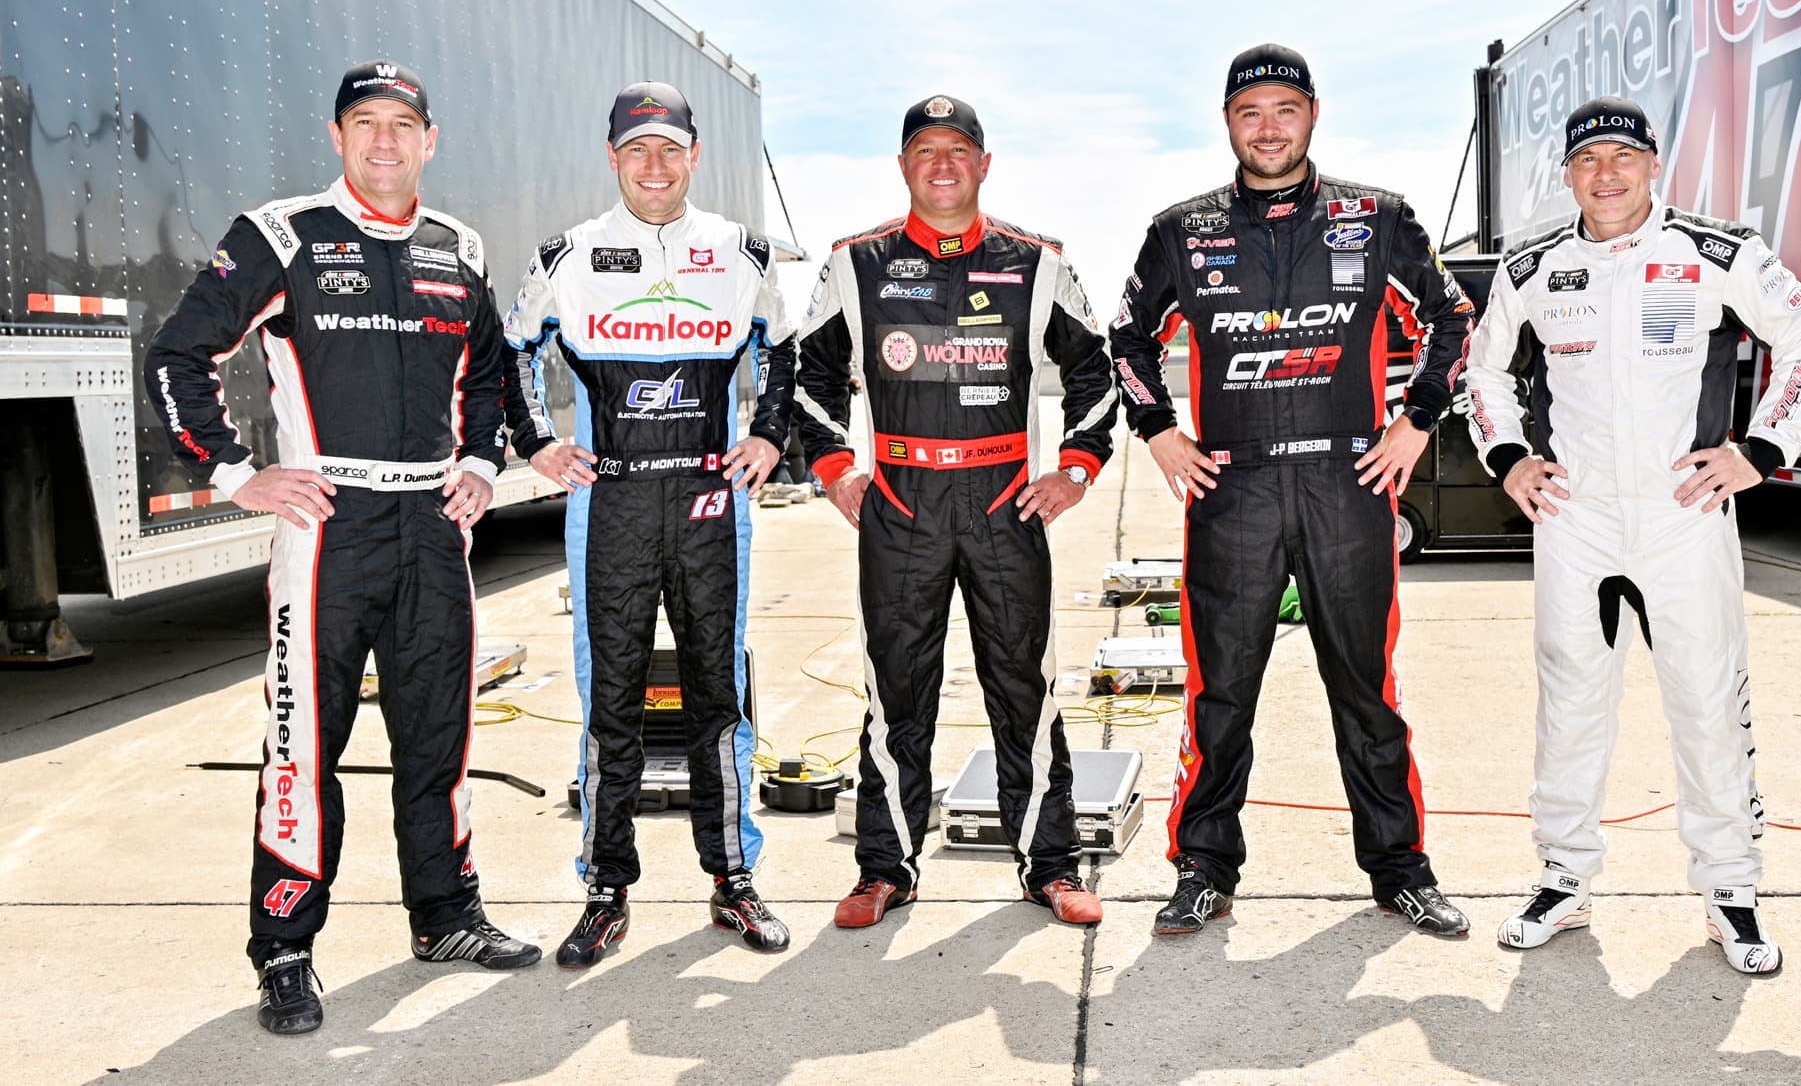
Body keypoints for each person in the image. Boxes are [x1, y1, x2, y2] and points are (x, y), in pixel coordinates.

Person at [145, 59, 540, 1036]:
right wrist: (239, 475)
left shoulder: (460, 248)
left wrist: (484, 465)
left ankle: (446, 917)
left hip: (432, 532)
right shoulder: (284, 235)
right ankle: (285, 947)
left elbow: (491, 377)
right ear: (338, 137)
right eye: (363, 123)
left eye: (401, 125)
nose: (383, 141)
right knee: (303, 749)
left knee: (437, 738)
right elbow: (178, 356)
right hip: (327, 531)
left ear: (429, 140)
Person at [1462, 97, 1801, 974]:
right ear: (1566, 174)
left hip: (1685, 515)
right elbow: (1482, 367)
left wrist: (1761, 448)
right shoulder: (1530, 269)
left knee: (1708, 700)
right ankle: (1564, 878)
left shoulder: (1717, 252)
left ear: (1653, 164)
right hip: (1576, 519)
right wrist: (1509, 455)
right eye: (1588, 160)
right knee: (1569, 698)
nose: (1606, 174)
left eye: (1622, 158)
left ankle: (1731, 890)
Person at [1109, 44, 1474, 938]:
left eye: (1284, 109)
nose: (1267, 128)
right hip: (1232, 488)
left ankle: (1399, 868)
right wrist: (1159, 431)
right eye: (1249, 112)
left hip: (1348, 482)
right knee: (1221, 691)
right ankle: (1203, 865)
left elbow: (1452, 318)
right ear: (1227, 122)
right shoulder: (1180, 230)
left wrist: (1416, 420)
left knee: (1365, 687)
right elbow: (1124, 338)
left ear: (1313, 114)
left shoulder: (1376, 216)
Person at [793, 94, 1118, 928]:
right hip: (900, 503)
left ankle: (1050, 863)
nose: (943, 164)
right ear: (904, 166)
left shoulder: (1037, 260)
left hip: (1005, 501)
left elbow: (1097, 371)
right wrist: (836, 471)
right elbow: (810, 373)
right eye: (925, 150)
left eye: (958, 149)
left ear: (983, 162)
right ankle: (886, 866)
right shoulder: (854, 262)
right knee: (895, 692)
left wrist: (1075, 468)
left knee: (1026, 687)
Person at [502, 82, 794, 964]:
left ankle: (733, 879)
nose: (655, 165)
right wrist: (538, 443)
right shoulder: (569, 256)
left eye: (670, 148)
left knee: (719, 698)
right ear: (613, 157)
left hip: (713, 507)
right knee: (611, 703)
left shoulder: (741, 251)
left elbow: (787, 347)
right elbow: (514, 349)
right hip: (612, 506)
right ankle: (604, 886)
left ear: (694, 154)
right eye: (638, 150)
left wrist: (769, 434)